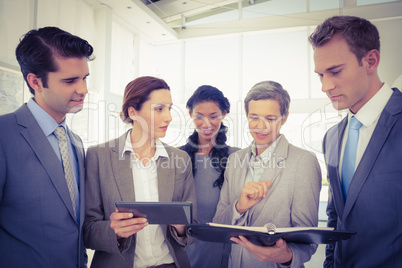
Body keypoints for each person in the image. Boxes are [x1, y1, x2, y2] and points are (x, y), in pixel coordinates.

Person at [309, 16, 402, 267]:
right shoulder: (332, 138)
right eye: (320, 75)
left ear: (370, 61)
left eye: (335, 71)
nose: (325, 86)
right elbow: (335, 218)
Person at [0, 27, 93, 267]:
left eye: (84, 78)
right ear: (35, 81)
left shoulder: (76, 143)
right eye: (70, 80)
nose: (83, 90)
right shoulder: (3, 135)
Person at [83, 76, 197, 268]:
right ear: (133, 112)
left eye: (169, 108)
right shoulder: (98, 157)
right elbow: (87, 230)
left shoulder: (181, 159)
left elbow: (192, 228)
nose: (168, 117)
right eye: (159, 109)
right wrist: (114, 231)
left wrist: (182, 228)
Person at [213, 81, 322, 268]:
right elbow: (219, 223)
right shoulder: (234, 160)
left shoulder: (303, 162)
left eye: (270, 118)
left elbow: (307, 239)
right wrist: (239, 207)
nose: (260, 126)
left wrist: (285, 256)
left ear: (284, 117)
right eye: (254, 117)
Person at [180, 85, 239, 268]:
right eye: (199, 116)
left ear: (224, 113)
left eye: (214, 116)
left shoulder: (237, 157)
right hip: (188, 249)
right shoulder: (178, 157)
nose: (206, 124)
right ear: (190, 113)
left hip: (229, 250)